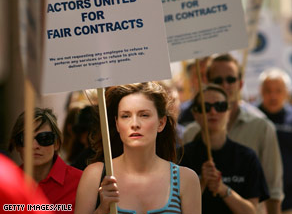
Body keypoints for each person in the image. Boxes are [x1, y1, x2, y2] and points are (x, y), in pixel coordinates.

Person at [75, 82, 201, 214]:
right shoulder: (95, 176)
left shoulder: (186, 179)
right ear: (117, 124)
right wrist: (102, 210)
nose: (134, 124)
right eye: (126, 116)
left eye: (144, 115)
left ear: (161, 123)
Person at [183, 54, 284, 214]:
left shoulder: (262, 127)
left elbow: (274, 190)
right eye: (218, 80)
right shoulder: (190, 134)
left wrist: (224, 189)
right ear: (207, 82)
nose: (225, 85)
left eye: (230, 79)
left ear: (240, 83)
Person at [180, 84, 269, 213]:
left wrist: (223, 189)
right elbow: (176, 209)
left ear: (229, 111)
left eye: (220, 106)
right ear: (195, 113)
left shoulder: (247, 157)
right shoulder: (182, 156)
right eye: (206, 107)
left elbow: (252, 211)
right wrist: (201, 183)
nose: (213, 112)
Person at [8, 108, 83, 214]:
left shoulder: (81, 182)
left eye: (44, 138)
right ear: (17, 145)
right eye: (26, 139)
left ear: (56, 143)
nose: (34, 146)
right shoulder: (7, 184)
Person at [258, 68, 292, 214]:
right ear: (261, 91)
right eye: (268, 90)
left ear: (286, 92)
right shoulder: (252, 118)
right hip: (257, 202)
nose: (273, 95)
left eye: (278, 90)